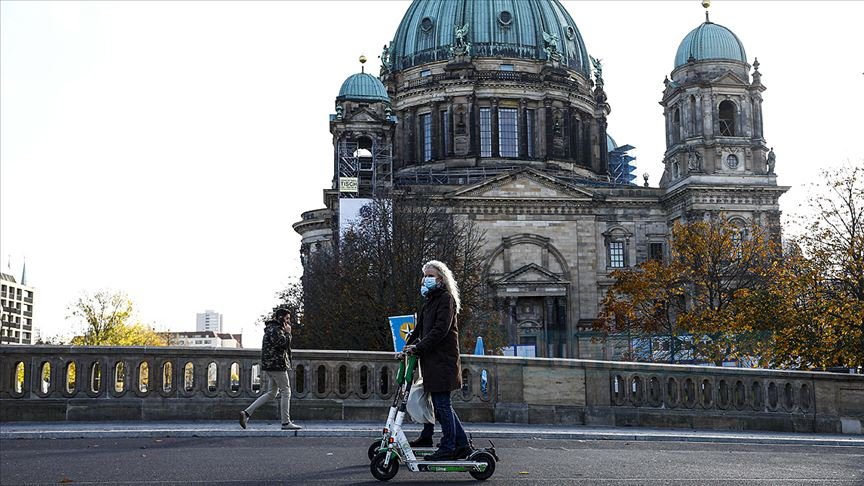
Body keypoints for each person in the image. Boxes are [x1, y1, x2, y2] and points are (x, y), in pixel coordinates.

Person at [402, 260, 471, 461]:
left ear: (441, 279)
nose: (425, 279)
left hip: (443, 361)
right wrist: (406, 346)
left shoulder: (446, 299)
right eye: (424, 276)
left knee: (442, 406)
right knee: (437, 405)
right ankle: (459, 444)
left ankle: (449, 446)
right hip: (432, 362)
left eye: (430, 275)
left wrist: (418, 347)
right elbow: (419, 330)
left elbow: (440, 330)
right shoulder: (430, 300)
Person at [239, 307, 301, 430]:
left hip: (271, 365)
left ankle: (246, 413)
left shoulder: (272, 329)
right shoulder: (276, 330)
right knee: (286, 391)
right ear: (281, 318)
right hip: (276, 364)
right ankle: (285, 422)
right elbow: (282, 344)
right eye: (287, 318)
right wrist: (288, 333)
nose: (289, 321)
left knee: (272, 393)